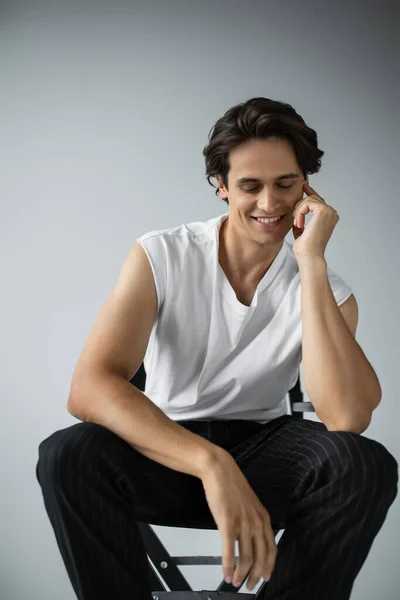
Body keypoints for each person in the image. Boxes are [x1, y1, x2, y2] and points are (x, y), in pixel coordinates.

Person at [36, 97, 398, 600]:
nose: (270, 204)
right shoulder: (161, 255)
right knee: (65, 454)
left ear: (308, 187)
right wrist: (212, 464)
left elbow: (346, 417)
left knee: (365, 463)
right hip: (164, 450)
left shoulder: (327, 288)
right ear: (221, 186)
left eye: (285, 184)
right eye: (250, 186)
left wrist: (310, 261)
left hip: (267, 453)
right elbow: (88, 388)